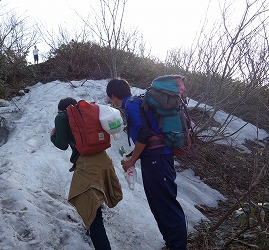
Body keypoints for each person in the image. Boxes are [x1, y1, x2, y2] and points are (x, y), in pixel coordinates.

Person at [106, 78, 188, 250]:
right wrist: (132, 157)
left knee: (166, 204)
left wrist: (132, 161)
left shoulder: (130, 105)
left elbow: (144, 133)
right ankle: (171, 243)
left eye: (110, 98)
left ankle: (178, 246)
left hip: (158, 159)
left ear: (113, 96)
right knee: (158, 203)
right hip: (154, 158)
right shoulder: (135, 103)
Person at [50, 97, 123, 250]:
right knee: (94, 202)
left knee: (93, 214)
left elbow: (62, 144)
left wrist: (52, 136)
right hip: (104, 160)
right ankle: (92, 231)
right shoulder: (86, 115)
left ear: (61, 109)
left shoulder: (61, 117)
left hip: (88, 165)